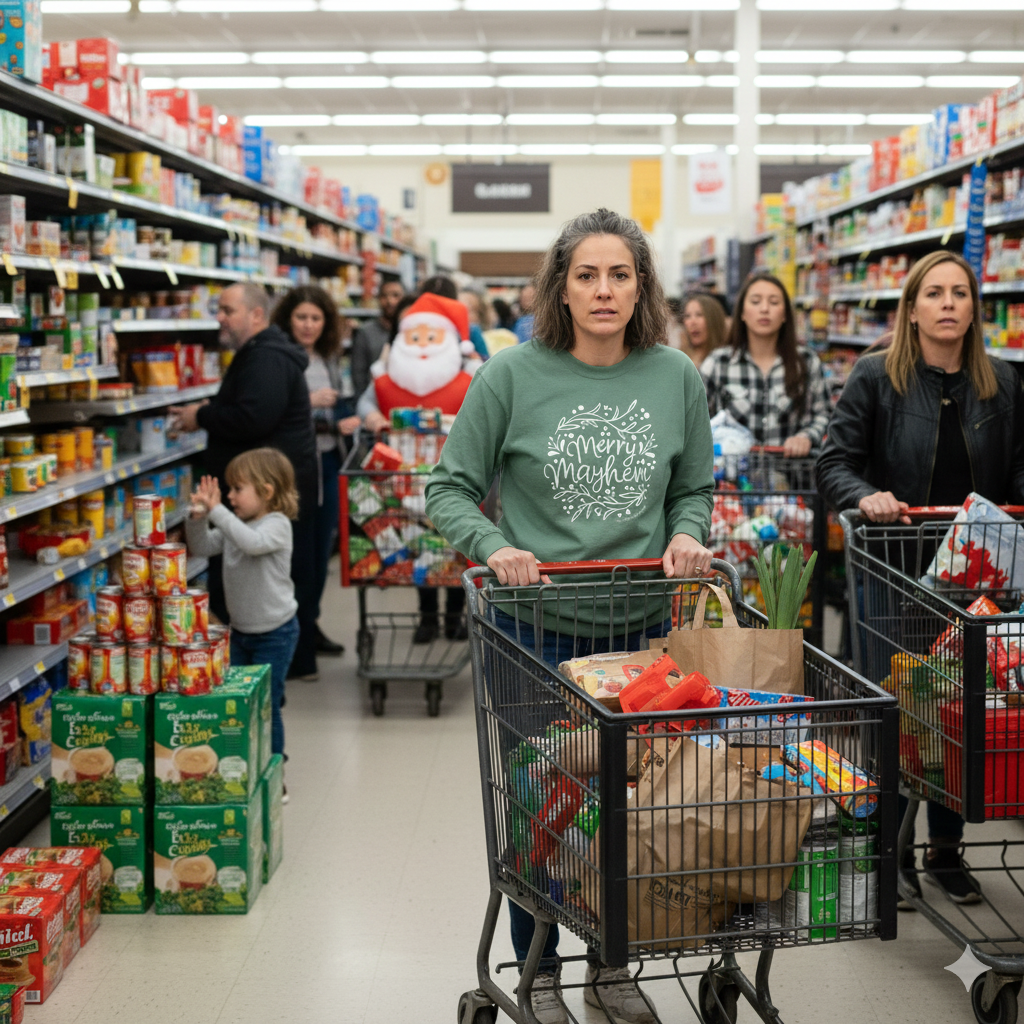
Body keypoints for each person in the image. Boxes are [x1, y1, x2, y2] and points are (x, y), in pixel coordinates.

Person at [425, 208, 715, 1024]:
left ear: (641, 286)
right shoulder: (512, 375)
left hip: (639, 636)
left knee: (632, 801)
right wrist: (493, 545)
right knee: (540, 802)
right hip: (532, 629)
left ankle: (612, 965)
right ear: (560, 286)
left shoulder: (675, 376)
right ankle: (540, 969)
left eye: (619, 274)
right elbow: (446, 487)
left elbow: (692, 486)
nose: (603, 289)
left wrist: (688, 532)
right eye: (586, 274)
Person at [816, 249, 1024, 906]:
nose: (947, 304)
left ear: (973, 308)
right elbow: (833, 464)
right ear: (911, 308)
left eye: (959, 293)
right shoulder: (877, 377)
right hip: (895, 570)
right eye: (933, 293)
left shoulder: (1007, 384)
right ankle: (889, 847)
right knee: (900, 711)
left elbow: (1016, 470)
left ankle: (945, 849)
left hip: (976, 576)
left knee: (962, 710)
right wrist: (866, 495)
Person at [169, 281, 320, 681]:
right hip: (251, 499)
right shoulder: (259, 355)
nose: (219, 316)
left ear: (256, 315)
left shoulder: (266, 358)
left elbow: (254, 417)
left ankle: (289, 664)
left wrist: (202, 416)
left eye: (227, 310)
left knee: (280, 580)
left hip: (261, 497)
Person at [359, 292, 476, 643]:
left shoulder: (468, 373)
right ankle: (428, 617)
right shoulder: (387, 374)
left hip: (457, 473)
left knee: (454, 544)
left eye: (431, 336)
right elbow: (367, 400)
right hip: (403, 478)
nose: (423, 345)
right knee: (417, 545)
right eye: (415, 336)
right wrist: (371, 416)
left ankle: (454, 616)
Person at [186, 449, 300, 796]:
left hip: (276, 633)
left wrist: (218, 510)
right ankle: (241, 766)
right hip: (240, 633)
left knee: (267, 704)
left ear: (266, 491)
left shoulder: (276, 526)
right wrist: (197, 516)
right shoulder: (237, 526)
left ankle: (274, 775)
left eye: (237, 489)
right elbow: (202, 546)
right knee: (235, 702)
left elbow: (251, 545)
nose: (230, 496)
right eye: (228, 490)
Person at [271, 285, 359, 659]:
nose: (308, 326)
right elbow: (272, 409)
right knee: (297, 554)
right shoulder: (280, 359)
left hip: (327, 461)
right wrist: (308, 403)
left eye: (316, 318)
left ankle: (310, 623)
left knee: (322, 550)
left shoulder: (329, 359)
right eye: (301, 318)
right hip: (292, 468)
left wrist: (345, 417)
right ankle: (294, 634)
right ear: (288, 320)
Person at [700, 272, 831, 457]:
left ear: (785, 314)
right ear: (742, 313)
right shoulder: (717, 363)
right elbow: (697, 421)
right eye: (755, 301)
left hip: (791, 475)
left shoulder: (806, 362)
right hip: (731, 479)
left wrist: (806, 437)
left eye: (774, 302)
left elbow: (823, 414)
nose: (764, 309)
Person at [350, 279, 405, 401]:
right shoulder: (365, 332)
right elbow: (358, 376)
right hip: (374, 403)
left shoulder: (411, 331)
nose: (390, 301)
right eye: (384, 296)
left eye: (396, 295)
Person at [679, 291, 729, 367]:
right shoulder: (679, 359)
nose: (692, 322)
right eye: (687, 316)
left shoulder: (726, 359)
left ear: (714, 319)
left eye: (699, 315)